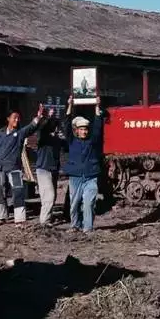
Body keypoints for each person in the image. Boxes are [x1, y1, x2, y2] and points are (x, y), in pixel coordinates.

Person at [0, 104, 44, 226]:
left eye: (18, 118)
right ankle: (2, 217)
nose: (16, 120)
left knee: (18, 191)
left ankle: (20, 219)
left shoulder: (20, 133)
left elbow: (31, 127)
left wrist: (38, 117)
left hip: (14, 168)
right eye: (14, 118)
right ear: (8, 119)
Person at [63, 95, 103, 233]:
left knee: (88, 203)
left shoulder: (92, 141)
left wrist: (97, 106)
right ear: (76, 131)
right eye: (81, 129)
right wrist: (70, 105)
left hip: (91, 176)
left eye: (85, 129)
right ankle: (74, 226)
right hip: (75, 177)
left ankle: (88, 228)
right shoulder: (71, 141)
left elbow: (98, 126)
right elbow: (66, 123)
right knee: (74, 204)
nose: (84, 131)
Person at [35, 107, 66, 226]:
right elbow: (42, 127)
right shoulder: (43, 137)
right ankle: (44, 221)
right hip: (43, 169)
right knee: (49, 195)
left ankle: (48, 217)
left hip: (53, 169)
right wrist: (47, 117)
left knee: (50, 197)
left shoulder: (58, 140)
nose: (55, 128)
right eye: (54, 125)